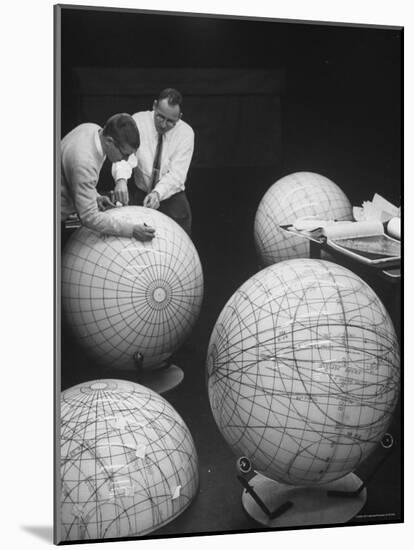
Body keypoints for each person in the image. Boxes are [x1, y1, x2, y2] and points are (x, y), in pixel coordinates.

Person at [61, 113, 155, 241]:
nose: (125, 159)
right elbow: (89, 217)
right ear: (110, 141)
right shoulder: (85, 162)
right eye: (125, 154)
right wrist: (132, 230)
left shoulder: (91, 129)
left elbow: (72, 177)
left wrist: (95, 196)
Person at [111, 88, 194, 235]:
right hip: (140, 193)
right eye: (160, 117)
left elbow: (177, 174)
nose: (163, 125)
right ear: (154, 105)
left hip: (171, 197)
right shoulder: (137, 121)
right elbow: (125, 155)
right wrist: (121, 179)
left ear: (179, 117)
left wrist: (157, 193)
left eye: (170, 122)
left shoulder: (186, 134)